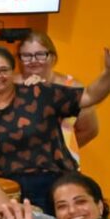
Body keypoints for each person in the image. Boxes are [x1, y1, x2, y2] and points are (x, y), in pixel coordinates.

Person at [0, 46, 110, 214]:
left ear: (13, 72)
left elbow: (90, 96)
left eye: (3, 70)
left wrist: (107, 73)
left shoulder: (39, 93)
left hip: (56, 186)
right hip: (9, 194)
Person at [17, 31, 99, 161]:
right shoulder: (11, 85)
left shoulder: (73, 87)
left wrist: (61, 150)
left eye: (40, 55)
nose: (33, 61)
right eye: (26, 55)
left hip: (62, 167)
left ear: (53, 57)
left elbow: (90, 130)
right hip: (19, 164)